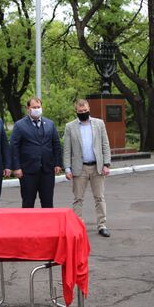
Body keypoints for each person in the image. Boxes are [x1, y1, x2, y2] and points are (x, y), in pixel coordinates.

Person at [63, 99, 111, 237]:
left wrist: (106, 164)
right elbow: (67, 149)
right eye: (80, 111)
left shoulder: (99, 124)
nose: (83, 113)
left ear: (89, 109)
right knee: (78, 199)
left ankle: (102, 225)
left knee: (99, 197)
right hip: (80, 168)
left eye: (85, 110)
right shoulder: (70, 127)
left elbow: (105, 145)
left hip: (97, 166)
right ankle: (77, 225)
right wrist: (67, 168)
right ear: (76, 111)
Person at [10, 97, 62, 208]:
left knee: (48, 202)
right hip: (27, 171)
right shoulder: (19, 125)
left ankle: (47, 225)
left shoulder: (50, 124)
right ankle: (27, 225)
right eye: (34, 107)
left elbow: (56, 144)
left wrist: (57, 163)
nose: (37, 109)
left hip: (47, 170)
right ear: (28, 108)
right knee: (28, 202)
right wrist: (16, 167)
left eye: (39, 107)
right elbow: (14, 147)